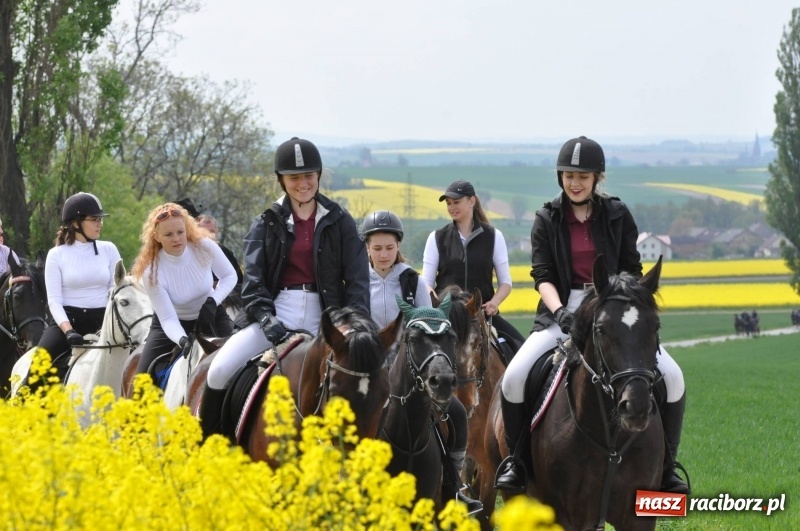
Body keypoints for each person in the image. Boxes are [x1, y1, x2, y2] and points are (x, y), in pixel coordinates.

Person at [494, 136, 690, 495]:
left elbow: (632, 268)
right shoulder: (546, 219)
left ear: (597, 178)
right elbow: (543, 276)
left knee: (673, 379)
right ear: (560, 177)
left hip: (613, 306)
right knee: (515, 378)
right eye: (568, 175)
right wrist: (560, 313)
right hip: (561, 309)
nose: (575, 182)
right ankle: (518, 463)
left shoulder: (617, 215)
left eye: (583, 176)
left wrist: (619, 303)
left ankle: (667, 469)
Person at [199, 137, 370, 438]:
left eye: (308, 176)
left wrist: (351, 325)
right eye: (294, 177)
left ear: (318, 176)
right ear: (281, 180)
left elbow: (357, 281)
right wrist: (266, 319)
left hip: (328, 318)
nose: (302, 183)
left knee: (374, 374)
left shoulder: (341, 221)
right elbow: (252, 281)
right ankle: (211, 448)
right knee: (219, 369)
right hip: (276, 315)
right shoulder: (265, 223)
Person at [360, 210, 482, 513]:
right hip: (371, 367)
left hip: (411, 367)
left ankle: (455, 484)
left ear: (397, 247)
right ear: (367, 249)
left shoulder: (413, 281)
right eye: (377, 248)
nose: (384, 254)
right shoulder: (358, 282)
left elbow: (432, 328)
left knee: (454, 410)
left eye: (389, 248)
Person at [131, 202, 237, 378]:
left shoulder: (204, 246)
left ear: (187, 228)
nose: (176, 239)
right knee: (142, 381)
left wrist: (213, 301)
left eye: (180, 232)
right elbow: (168, 319)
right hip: (171, 323)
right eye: (168, 234)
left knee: (241, 359)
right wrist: (182, 339)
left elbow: (229, 276)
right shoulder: (151, 272)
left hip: (211, 314)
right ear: (156, 237)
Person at [421, 180, 525, 354]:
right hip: (447, 317)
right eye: (448, 204)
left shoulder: (493, 236)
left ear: (471, 201)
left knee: (521, 349)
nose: (451, 207)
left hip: (482, 315)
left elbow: (506, 283)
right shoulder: (436, 237)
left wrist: (495, 303)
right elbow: (426, 283)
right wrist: (439, 305)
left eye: (456, 202)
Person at [31, 192, 121, 384]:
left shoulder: (109, 249)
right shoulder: (56, 255)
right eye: (94, 219)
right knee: (37, 366)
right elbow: (54, 301)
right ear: (75, 223)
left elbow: (116, 289)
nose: (100, 224)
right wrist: (69, 331)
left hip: (103, 322)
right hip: (68, 322)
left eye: (100, 220)